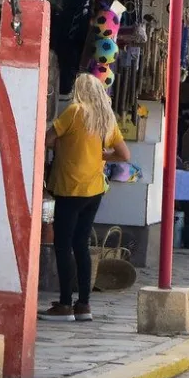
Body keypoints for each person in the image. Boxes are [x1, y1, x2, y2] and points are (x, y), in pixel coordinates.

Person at [40, 74, 131, 321]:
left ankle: (64, 304)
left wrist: (62, 146)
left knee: (62, 245)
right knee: (81, 244)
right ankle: (84, 305)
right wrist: (102, 157)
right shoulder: (106, 119)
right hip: (95, 190)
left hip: (70, 188)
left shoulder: (75, 111)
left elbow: (47, 139)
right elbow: (123, 154)